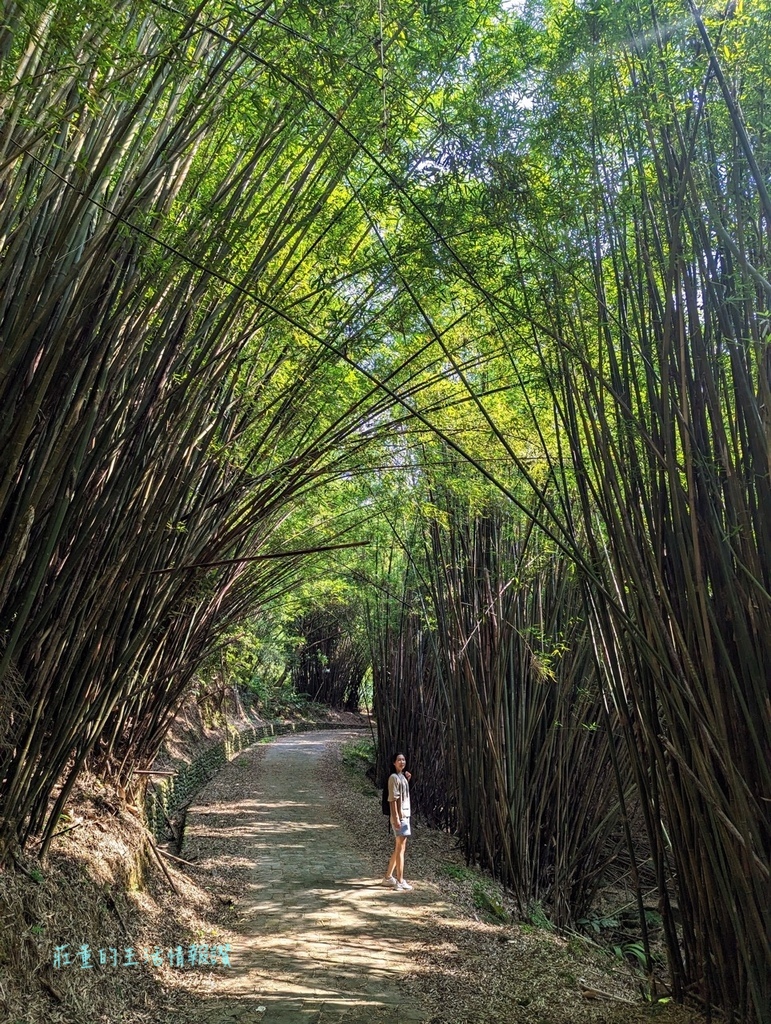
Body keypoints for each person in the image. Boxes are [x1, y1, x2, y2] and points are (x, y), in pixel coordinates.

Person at [382, 752, 413, 891]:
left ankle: (388, 877)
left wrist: (407, 780)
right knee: (401, 849)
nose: (402, 761)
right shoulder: (393, 778)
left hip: (405, 815)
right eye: (399, 760)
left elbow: (403, 796)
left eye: (403, 759)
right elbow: (392, 800)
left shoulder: (402, 777)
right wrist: (395, 818)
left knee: (400, 847)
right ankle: (400, 881)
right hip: (400, 817)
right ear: (394, 762)